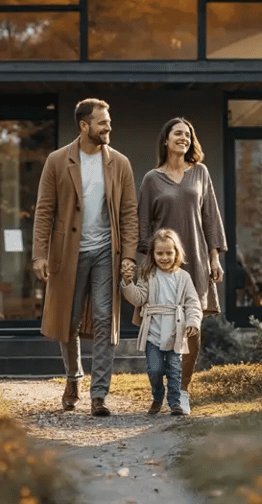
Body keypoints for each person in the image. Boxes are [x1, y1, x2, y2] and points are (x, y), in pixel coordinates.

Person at [32, 98, 139, 416]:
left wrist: (129, 256)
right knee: (69, 319)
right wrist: (39, 254)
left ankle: (99, 394)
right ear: (84, 125)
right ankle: (73, 378)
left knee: (106, 319)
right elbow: (44, 210)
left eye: (108, 121)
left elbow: (129, 213)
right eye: (102, 122)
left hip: (107, 251)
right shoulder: (57, 161)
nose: (108, 127)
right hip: (69, 252)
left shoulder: (120, 163)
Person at [138, 117, 227, 414]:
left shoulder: (200, 172)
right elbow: (142, 225)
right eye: (178, 134)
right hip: (163, 266)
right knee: (161, 326)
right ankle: (161, 387)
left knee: (192, 326)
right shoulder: (152, 179)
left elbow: (211, 217)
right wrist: (145, 264)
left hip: (197, 261)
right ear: (166, 140)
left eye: (188, 135)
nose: (184, 138)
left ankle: (183, 391)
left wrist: (215, 257)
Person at [120, 229, 202, 416]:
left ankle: (174, 403)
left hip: (175, 332)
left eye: (169, 253)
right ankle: (158, 396)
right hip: (153, 332)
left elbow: (193, 302)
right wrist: (127, 282)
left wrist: (193, 321)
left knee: (174, 370)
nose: (164, 257)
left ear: (176, 253)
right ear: (153, 254)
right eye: (160, 253)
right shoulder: (148, 274)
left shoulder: (183, 277)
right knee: (155, 369)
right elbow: (139, 299)